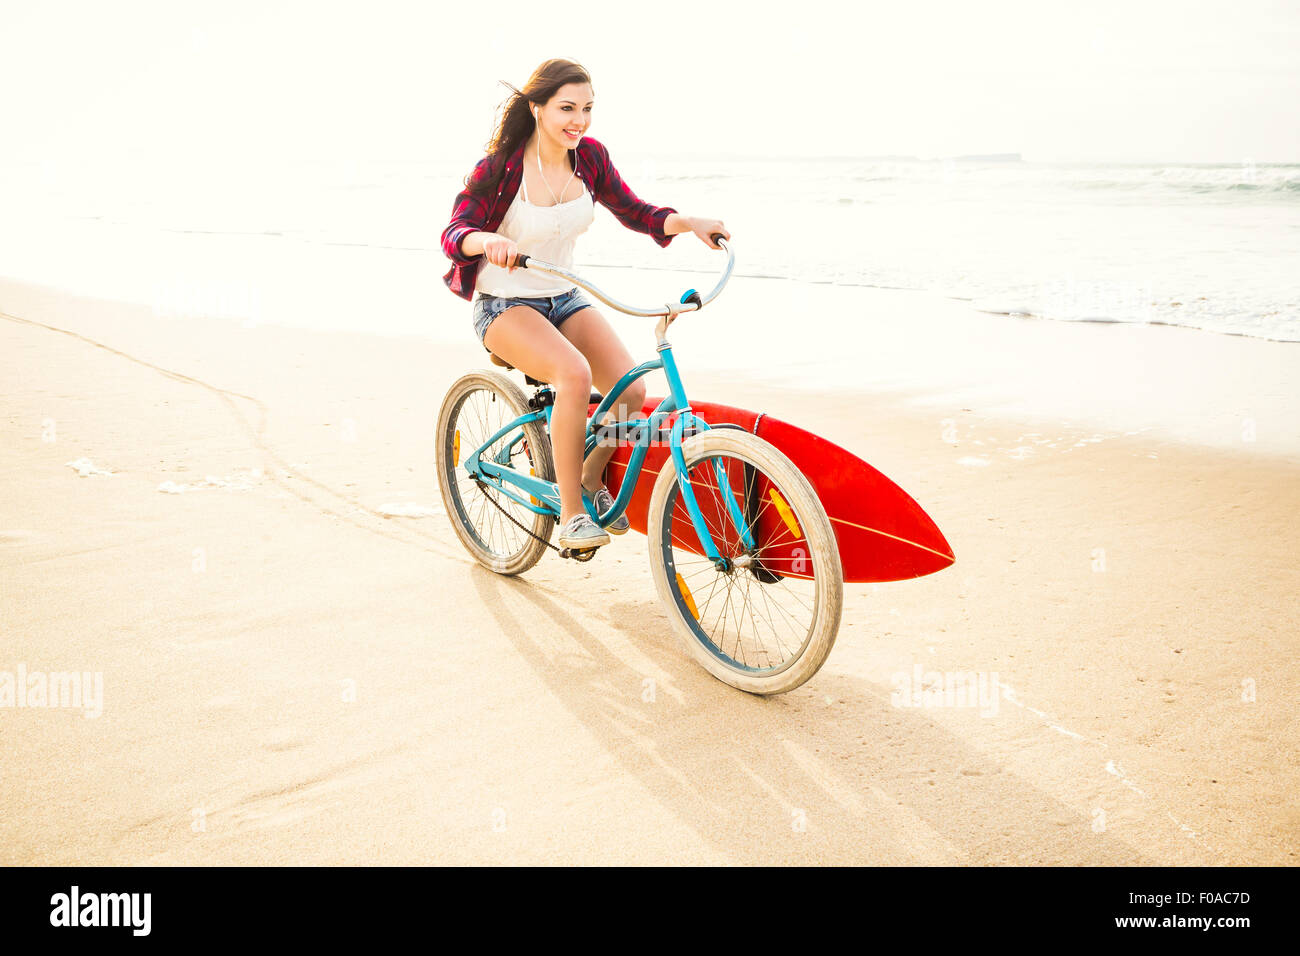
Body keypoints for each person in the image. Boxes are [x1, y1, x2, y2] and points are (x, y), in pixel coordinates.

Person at [441, 58, 729, 552]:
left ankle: (592, 474)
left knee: (631, 388)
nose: (579, 120)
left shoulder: (589, 157)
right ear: (537, 109)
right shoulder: (501, 167)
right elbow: (454, 234)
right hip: (504, 304)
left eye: (588, 108)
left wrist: (690, 222)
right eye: (567, 108)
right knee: (573, 375)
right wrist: (486, 240)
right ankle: (572, 513)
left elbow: (637, 212)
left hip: (563, 295)